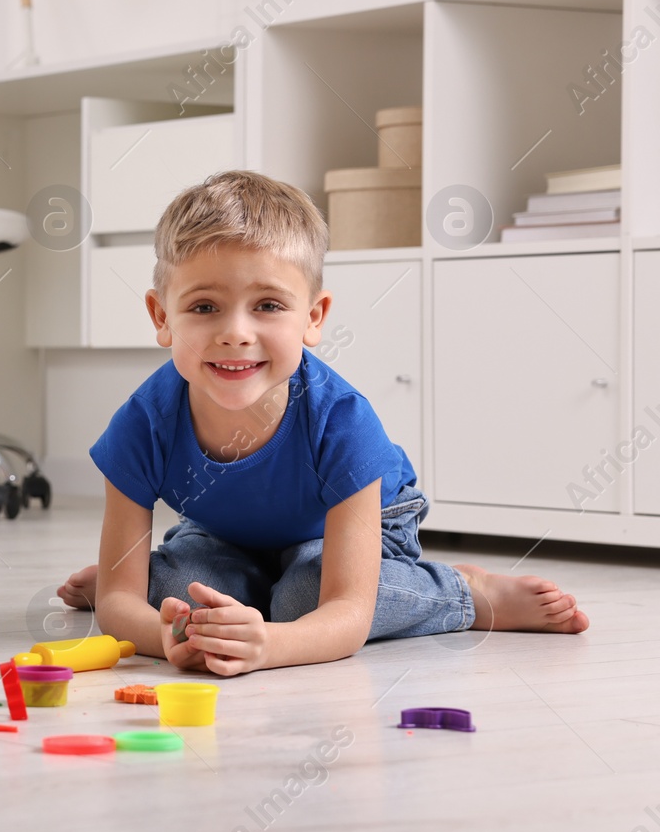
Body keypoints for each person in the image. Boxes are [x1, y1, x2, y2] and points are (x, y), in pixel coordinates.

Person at [57, 170, 587, 676]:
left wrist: (267, 646)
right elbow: (119, 607)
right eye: (204, 307)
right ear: (160, 317)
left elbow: (348, 615)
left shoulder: (340, 420)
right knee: (180, 591)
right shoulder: (142, 423)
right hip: (226, 531)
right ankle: (207, 585)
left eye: (267, 305)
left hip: (358, 528)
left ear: (313, 317)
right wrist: (164, 634)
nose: (235, 332)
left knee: (302, 600)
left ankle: (462, 593)